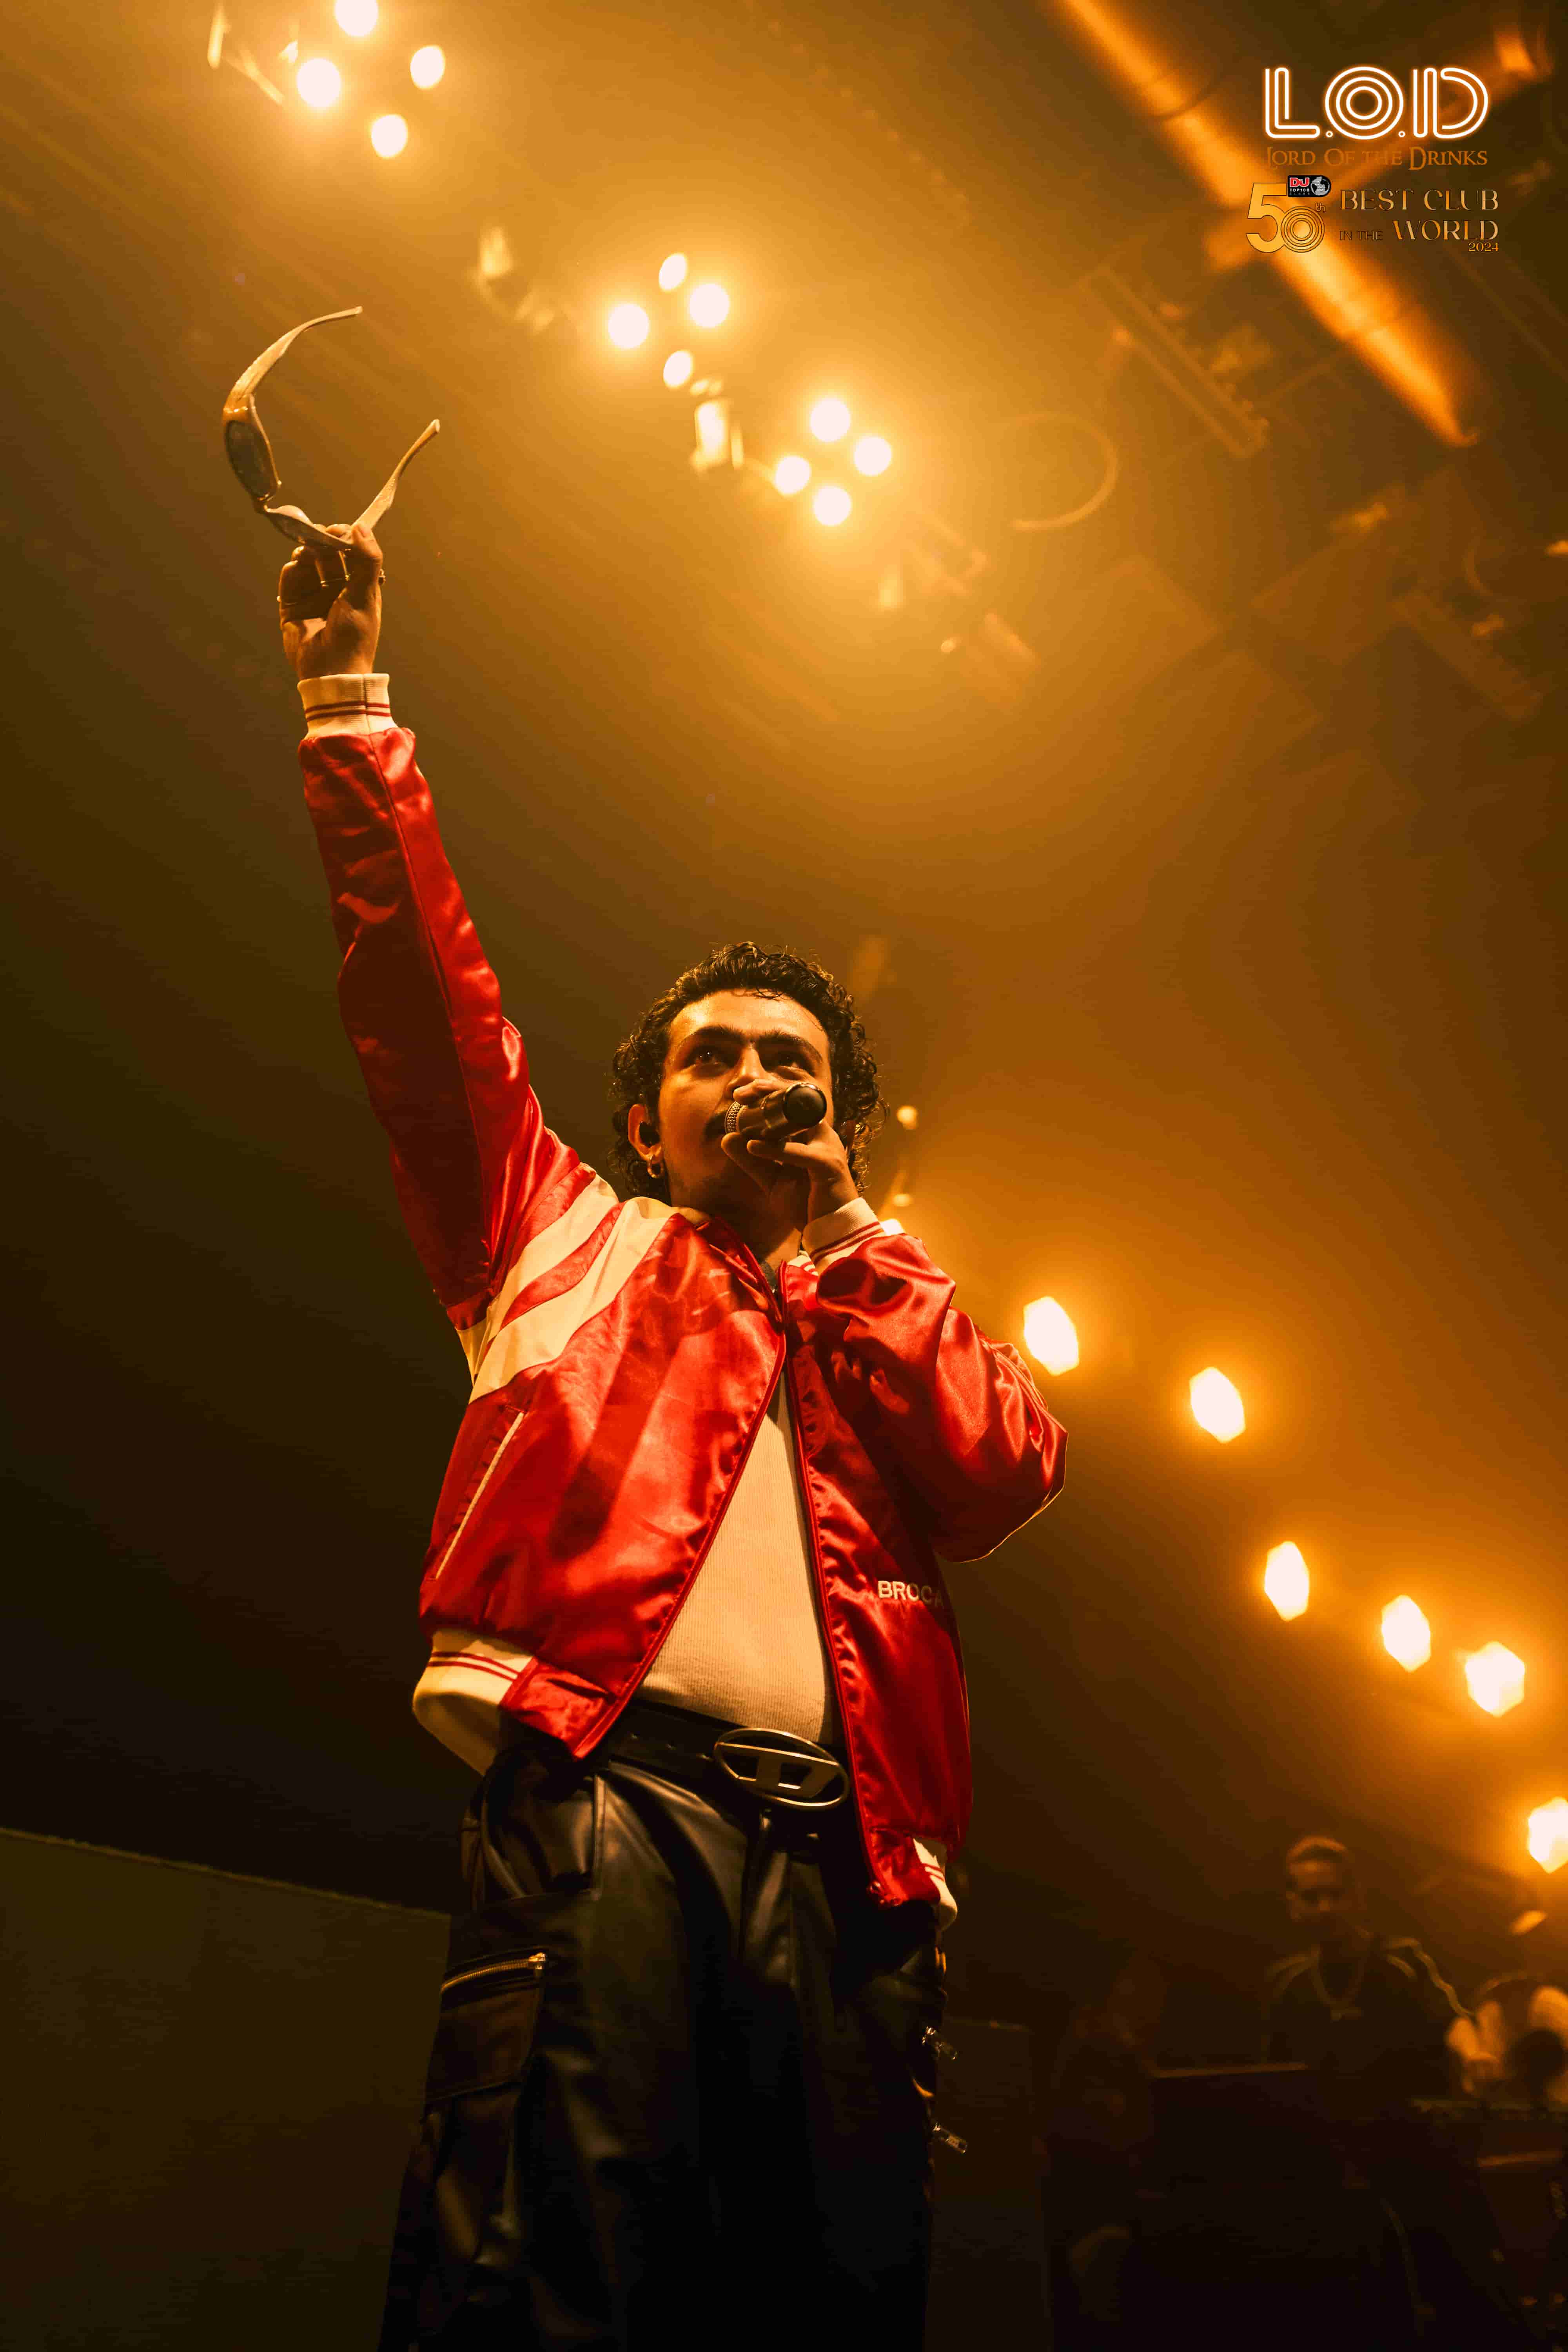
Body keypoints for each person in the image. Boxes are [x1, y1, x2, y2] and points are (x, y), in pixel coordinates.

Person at [272, 522, 1066, 2352]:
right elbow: (421, 1000)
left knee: (833, 2293)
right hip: (612, 1800)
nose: (763, 1077)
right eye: (719, 1055)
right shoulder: (555, 1234)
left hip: (858, 1865)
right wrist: (348, 703)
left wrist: (851, 1235)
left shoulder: (877, 1301)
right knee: (556, 2267)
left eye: (798, 1064)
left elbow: (1007, 1468)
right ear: (646, 1119)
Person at [1263, 1835, 1530, 2349]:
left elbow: (1451, 2017)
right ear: (1291, 1904)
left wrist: (1475, 2053)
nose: (1326, 1907)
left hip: (1419, 2157)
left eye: (1336, 1894)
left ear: (1357, 1897)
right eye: (1312, 1897)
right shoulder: (1287, 1984)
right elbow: (1272, 2076)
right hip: (1335, 2169)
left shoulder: (1402, 1960)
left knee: (1465, 2289)